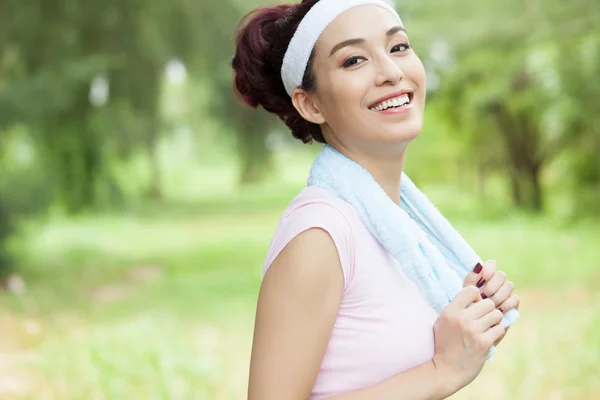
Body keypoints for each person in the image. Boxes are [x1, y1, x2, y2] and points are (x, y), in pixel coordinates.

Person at [231, 0, 520, 399]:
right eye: (353, 60)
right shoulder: (320, 235)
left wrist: (470, 328)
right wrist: (441, 370)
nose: (391, 72)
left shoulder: (395, 224)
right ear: (310, 103)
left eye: (398, 47)